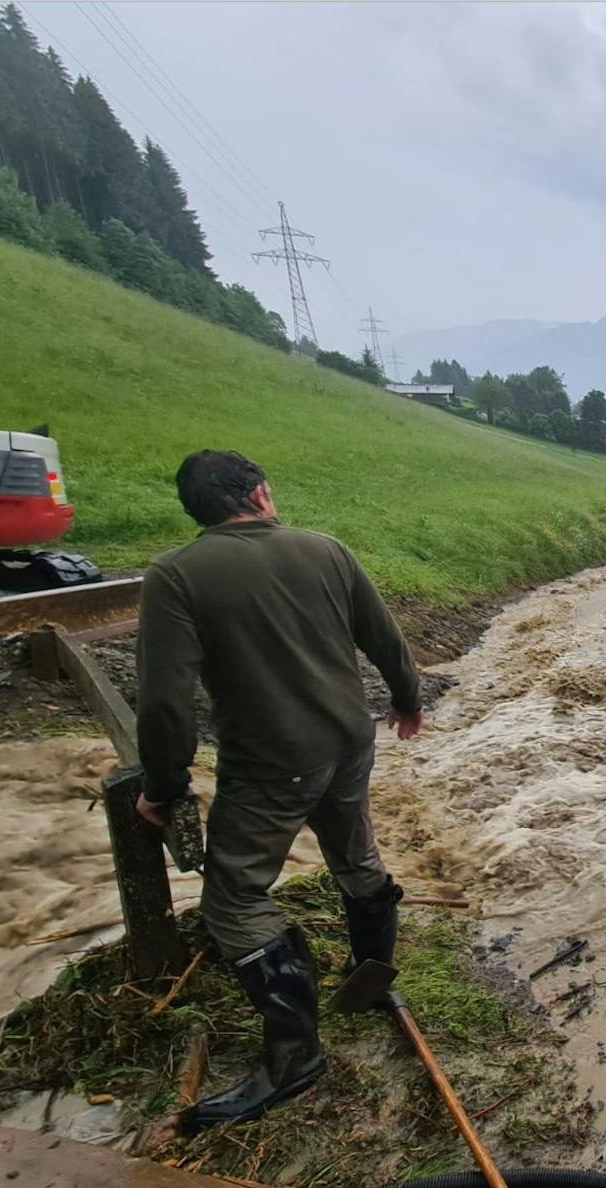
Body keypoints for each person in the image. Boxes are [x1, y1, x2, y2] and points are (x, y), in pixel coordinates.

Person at [135, 450, 424, 1132]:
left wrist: (163, 788)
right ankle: (371, 972)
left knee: (235, 901)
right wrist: (408, 700)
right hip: (351, 739)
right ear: (261, 495)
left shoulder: (176, 576)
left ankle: (295, 1061)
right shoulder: (325, 549)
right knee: (354, 852)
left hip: (270, 761)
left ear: (196, 511)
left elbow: (165, 706)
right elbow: (385, 640)